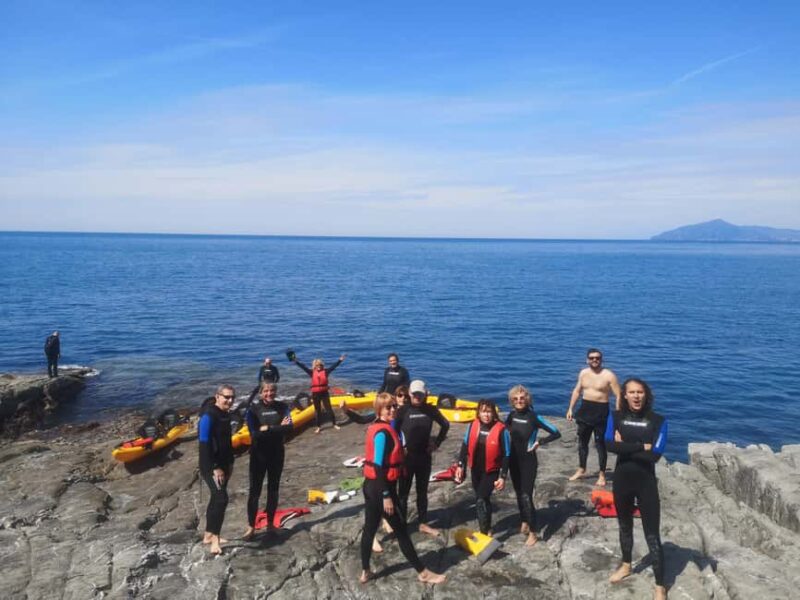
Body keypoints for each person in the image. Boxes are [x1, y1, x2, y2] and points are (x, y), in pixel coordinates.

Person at [359, 392, 446, 585]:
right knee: (402, 533)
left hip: (371, 487)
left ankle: (366, 572)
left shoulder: (378, 427)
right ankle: (423, 573)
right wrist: (386, 496)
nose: (393, 410)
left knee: (370, 529)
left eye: (394, 406)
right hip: (381, 489)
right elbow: (378, 466)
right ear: (379, 410)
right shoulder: (382, 433)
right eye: (388, 407)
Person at [605, 378, 668, 600]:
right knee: (624, 526)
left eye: (640, 392)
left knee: (652, 534)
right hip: (622, 480)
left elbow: (655, 455)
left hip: (646, 483)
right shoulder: (615, 417)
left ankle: (660, 586)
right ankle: (626, 565)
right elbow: (608, 445)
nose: (636, 396)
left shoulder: (658, 421)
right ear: (624, 395)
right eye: (631, 392)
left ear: (646, 394)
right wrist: (642, 446)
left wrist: (623, 446)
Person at [505, 384, 561, 546]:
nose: (519, 401)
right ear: (512, 401)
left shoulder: (534, 417)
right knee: (518, 493)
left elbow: (556, 432)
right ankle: (524, 520)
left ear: (527, 399)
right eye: (515, 399)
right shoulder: (511, 415)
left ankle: (533, 532)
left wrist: (540, 442)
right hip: (513, 460)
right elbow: (505, 429)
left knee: (526, 495)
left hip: (528, 461)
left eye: (522, 398)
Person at [394, 379, 449, 536]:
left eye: (420, 394)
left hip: (424, 457)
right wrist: (400, 448)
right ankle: (401, 525)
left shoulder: (430, 410)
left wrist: (436, 443)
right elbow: (393, 431)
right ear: (409, 393)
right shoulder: (402, 410)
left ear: (425, 394)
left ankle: (423, 523)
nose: (417, 397)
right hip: (406, 459)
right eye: (414, 394)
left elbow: (445, 425)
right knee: (403, 493)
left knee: (422, 492)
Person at [243, 382, 293, 540]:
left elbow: (289, 427)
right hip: (258, 455)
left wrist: (268, 428)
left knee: (273, 490)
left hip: (277, 454)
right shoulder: (253, 409)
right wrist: (278, 427)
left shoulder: (282, 407)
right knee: (254, 492)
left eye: (272, 390)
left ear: (275, 392)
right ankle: (251, 527)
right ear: (260, 393)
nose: (269, 393)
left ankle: (271, 524)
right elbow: (254, 434)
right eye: (266, 391)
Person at [566, 348, 621, 486]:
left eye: (597, 358)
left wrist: (618, 417)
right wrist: (570, 408)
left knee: (600, 444)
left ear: (601, 359)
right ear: (587, 360)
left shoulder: (609, 375)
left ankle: (602, 474)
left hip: (601, 411)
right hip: (585, 410)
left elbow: (618, 396)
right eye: (591, 358)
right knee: (582, 442)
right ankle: (581, 469)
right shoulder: (583, 373)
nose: (594, 360)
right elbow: (577, 390)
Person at [455, 400, 511, 535]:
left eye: (489, 412)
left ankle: (483, 531)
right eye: (483, 412)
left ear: (494, 413)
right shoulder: (473, 425)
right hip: (476, 470)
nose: (486, 415)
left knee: (481, 499)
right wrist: (460, 465)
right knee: (483, 499)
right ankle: (488, 526)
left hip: (491, 472)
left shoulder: (501, 429)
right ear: (479, 413)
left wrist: (503, 477)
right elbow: (465, 446)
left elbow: (507, 454)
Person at [198, 384, 236, 555]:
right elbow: (204, 444)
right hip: (210, 466)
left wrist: (230, 463)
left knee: (216, 497)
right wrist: (215, 467)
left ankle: (208, 535)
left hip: (224, 464)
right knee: (221, 499)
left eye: (232, 397)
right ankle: (215, 540)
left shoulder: (225, 415)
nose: (230, 400)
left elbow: (226, 442)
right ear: (217, 396)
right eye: (226, 397)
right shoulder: (209, 416)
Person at [290, 353, 346, 433]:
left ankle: (334, 424)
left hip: (324, 393)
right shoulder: (311, 372)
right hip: (315, 394)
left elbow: (333, 367)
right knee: (317, 410)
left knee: (329, 409)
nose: (319, 366)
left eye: (320, 365)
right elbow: (303, 367)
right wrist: (296, 361)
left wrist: (340, 360)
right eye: (317, 365)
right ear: (314, 366)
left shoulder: (326, 372)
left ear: (322, 365)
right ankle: (318, 427)